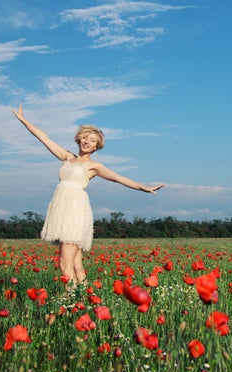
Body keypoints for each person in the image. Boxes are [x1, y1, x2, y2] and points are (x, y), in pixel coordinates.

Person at [12, 104, 164, 291]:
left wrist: (144, 188)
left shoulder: (94, 166)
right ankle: (83, 298)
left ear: (96, 146)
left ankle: (70, 300)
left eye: (92, 140)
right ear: (79, 138)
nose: (87, 141)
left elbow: (119, 178)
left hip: (75, 212)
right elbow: (44, 138)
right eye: (85, 137)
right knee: (76, 265)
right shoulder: (67, 157)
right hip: (61, 210)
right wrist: (23, 120)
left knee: (63, 264)